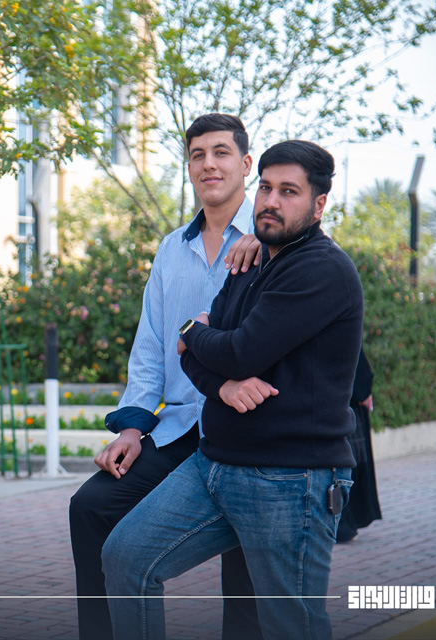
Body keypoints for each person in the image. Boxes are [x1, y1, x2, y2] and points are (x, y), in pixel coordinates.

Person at [103, 140, 362, 640]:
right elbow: (198, 355)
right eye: (266, 187)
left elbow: (239, 351)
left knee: (291, 625)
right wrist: (219, 382)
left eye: (289, 192)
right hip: (214, 464)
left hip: (289, 478)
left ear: (318, 205)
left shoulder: (322, 269)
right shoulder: (250, 263)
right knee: (126, 559)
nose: (271, 201)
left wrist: (192, 333)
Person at [68, 113, 262, 640]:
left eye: (221, 152)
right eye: (198, 155)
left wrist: (265, 243)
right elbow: (151, 347)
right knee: (91, 507)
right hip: (180, 431)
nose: (208, 164)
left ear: (245, 163)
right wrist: (132, 427)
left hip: (249, 431)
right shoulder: (172, 248)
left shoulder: (273, 241)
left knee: (248, 572)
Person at [337, 347, 382, 542]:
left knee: (347, 465)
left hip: (345, 399)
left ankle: (345, 524)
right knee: (347, 464)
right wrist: (362, 391)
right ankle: (344, 525)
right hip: (346, 402)